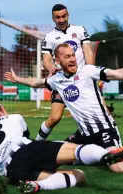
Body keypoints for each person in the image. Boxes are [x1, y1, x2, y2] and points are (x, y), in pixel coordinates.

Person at [4, 43, 123, 172]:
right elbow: (36, 82)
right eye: (67, 56)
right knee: (55, 157)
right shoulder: (56, 80)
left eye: (73, 55)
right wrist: (17, 79)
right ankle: (89, 155)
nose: (72, 59)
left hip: (104, 131)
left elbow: (118, 74)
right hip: (83, 134)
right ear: (58, 61)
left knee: (117, 167)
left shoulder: (88, 71)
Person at [0, 102, 123, 194]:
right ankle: (106, 155)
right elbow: (27, 138)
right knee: (72, 149)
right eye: (3, 109)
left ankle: (38, 186)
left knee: (78, 175)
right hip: (26, 150)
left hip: (13, 172)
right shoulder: (14, 117)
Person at [37, 4, 95, 141]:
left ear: (68, 15)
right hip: (62, 82)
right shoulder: (50, 37)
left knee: (92, 114)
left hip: (81, 81)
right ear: (53, 18)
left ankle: (76, 141)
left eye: (63, 16)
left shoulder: (79, 30)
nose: (61, 19)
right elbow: (46, 60)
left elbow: (88, 51)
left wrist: (90, 72)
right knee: (54, 118)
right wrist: (50, 67)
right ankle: (35, 144)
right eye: (57, 17)